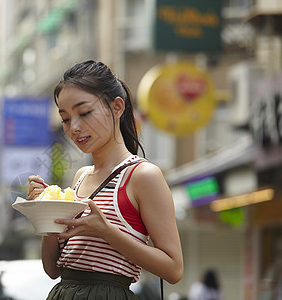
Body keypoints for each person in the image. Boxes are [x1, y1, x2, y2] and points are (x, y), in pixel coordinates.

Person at [28, 60, 183, 299]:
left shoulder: (143, 175)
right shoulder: (80, 176)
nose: (74, 127)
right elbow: (53, 269)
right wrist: (47, 215)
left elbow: (173, 269)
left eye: (85, 112)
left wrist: (106, 231)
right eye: (66, 119)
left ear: (117, 107)